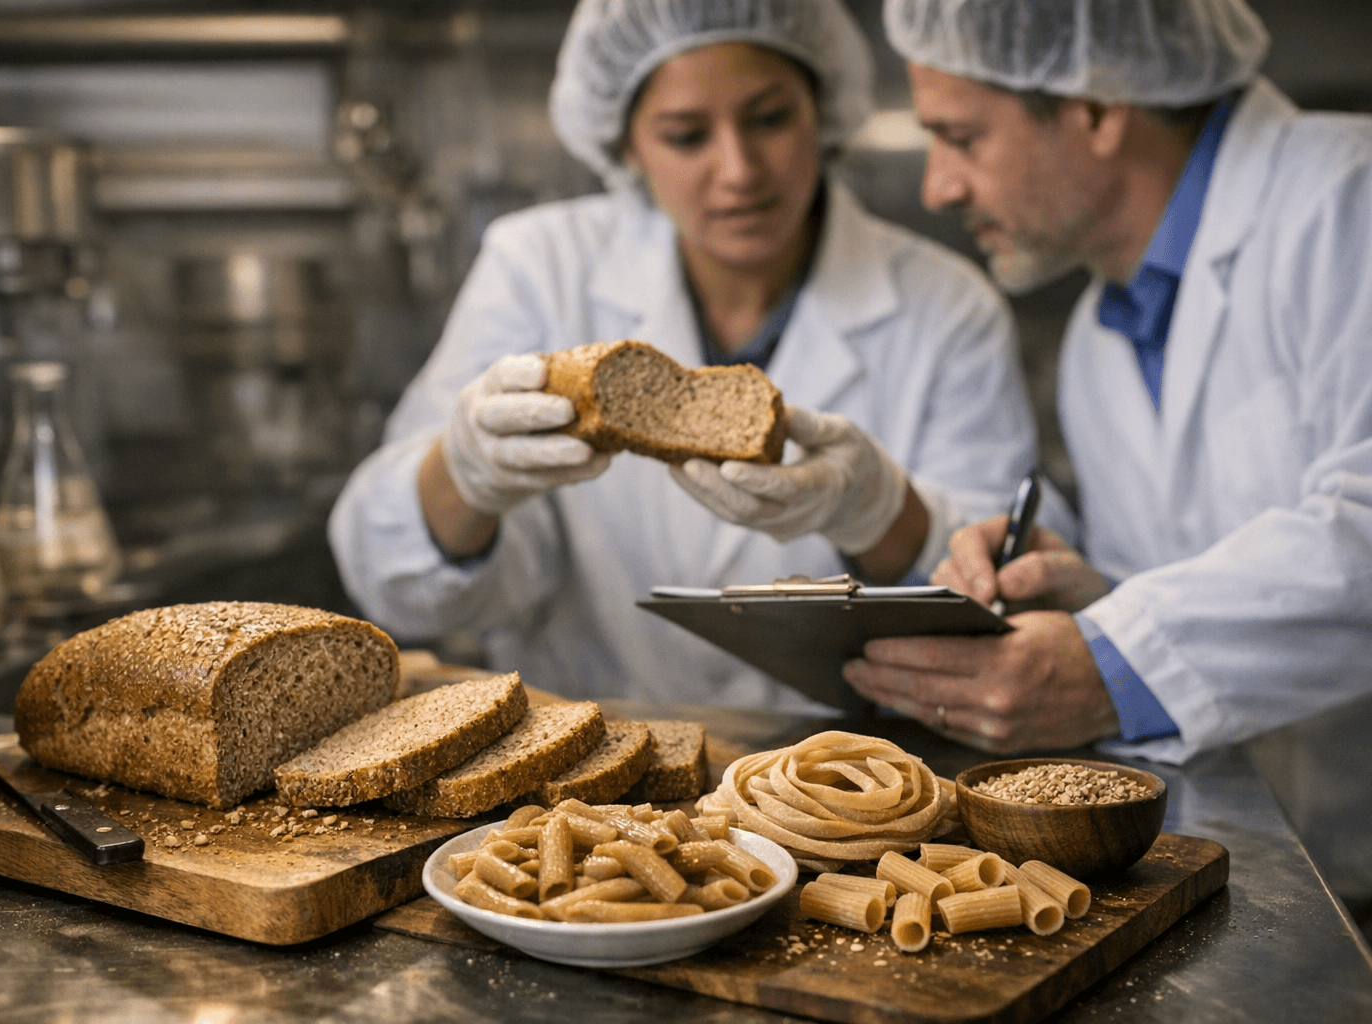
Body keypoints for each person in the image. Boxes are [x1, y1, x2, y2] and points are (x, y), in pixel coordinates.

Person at [329, 0, 1058, 713]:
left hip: (846, 780)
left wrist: (876, 510)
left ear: (823, 108)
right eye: (685, 135)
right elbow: (392, 581)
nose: (739, 170)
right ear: (626, 146)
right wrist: (466, 476)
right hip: (585, 777)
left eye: (770, 119)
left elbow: (1007, 601)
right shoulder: (539, 267)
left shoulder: (947, 304)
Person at [845, 0, 1372, 913]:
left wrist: (1110, 661)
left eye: (960, 137)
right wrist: (1090, 597)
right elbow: (1203, 585)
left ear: (1092, 106)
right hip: (1269, 875)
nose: (939, 186)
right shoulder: (1099, 331)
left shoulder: (1348, 200)